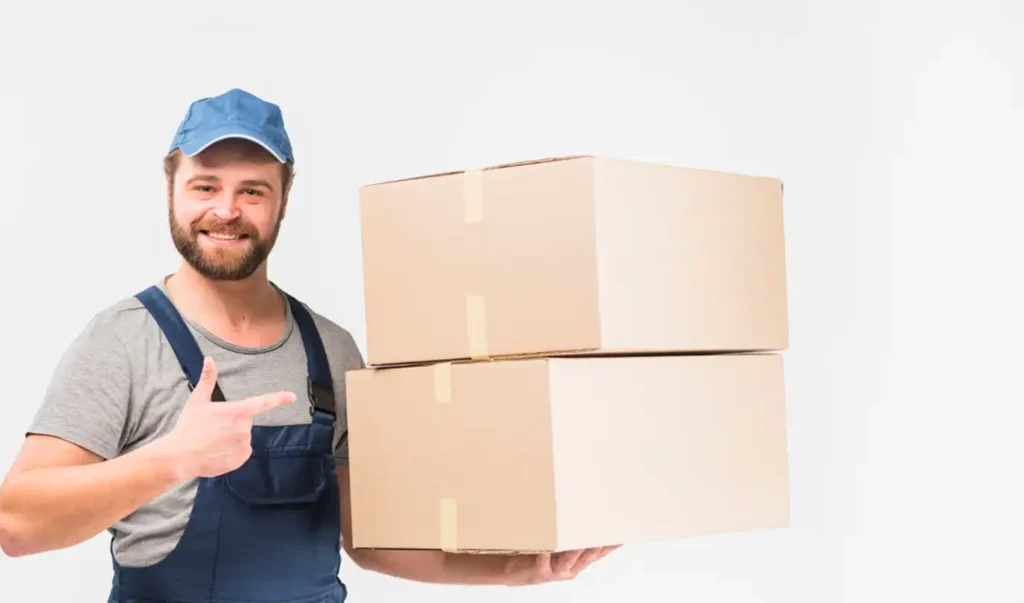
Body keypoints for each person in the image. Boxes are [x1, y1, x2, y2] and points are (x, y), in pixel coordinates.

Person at [0, 88, 618, 602]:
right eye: (205, 187)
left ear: (284, 201)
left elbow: (369, 539)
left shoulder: (331, 349)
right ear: (171, 192)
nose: (226, 210)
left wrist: (517, 569)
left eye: (252, 190)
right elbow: (17, 524)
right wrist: (172, 460)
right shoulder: (123, 341)